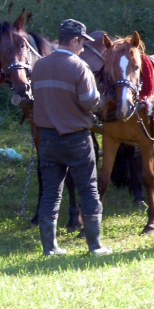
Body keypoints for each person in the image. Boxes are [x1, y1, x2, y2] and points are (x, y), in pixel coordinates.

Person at [32, 19, 112, 256]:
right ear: (75, 40)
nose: (83, 49)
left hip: (46, 138)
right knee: (88, 189)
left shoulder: (39, 66)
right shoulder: (79, 67)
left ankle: (50, 247)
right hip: (76, 139)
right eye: (83, 43)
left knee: (50, 192)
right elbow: (90, 102)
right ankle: (95, 245)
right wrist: (105, 98)